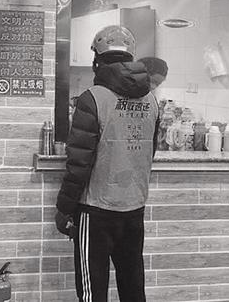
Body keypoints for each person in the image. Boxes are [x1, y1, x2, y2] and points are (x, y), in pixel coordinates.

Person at [55, 25, 160, 302]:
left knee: (92, 292)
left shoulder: (93, 98)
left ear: (96, 60)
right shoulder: (152, 101)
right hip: (134, 208)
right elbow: (150, 151)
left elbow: (79, 162)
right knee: (133, 288)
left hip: (96, 210)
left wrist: (64, 208)